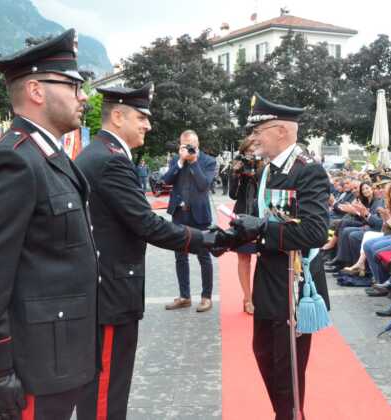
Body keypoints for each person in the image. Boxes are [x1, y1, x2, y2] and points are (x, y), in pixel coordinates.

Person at [0, 29, 100, 420]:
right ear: (37, 91)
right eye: (73, 86)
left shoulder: (49, 156)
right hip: (34, 366)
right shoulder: (16, 161)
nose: (83, 97)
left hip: (61, 356)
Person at [74, 84, 228, 420]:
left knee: (104, 388)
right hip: (111, 291)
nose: (148, 125)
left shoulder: (98, 153)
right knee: (105, 393)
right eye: (141, 117)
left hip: (101, 286)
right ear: (118, 116)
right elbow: (146, 223)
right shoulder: (111, 161)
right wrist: (209, 239)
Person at [227, 93, 330, 419]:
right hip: (269, 276)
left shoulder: (307, 170)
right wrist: (233, 235)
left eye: (259, 131)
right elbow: (271, 220)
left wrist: (261, 228)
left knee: (288, 371)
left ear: (281, 131)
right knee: (264, 354)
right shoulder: (269, 170)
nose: (253, 138)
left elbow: (315, 232)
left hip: (293, 281)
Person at [163, 129, 217, 312]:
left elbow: (204, 185)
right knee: (180, 256)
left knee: (204, 256)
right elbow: (166, 180)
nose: (187, 149)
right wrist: (180, 162)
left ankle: (206, 297)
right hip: (179, 214)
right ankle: (184, 296)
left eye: (191, 145)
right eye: (184, 145)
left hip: (200, 216)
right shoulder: (176, 160)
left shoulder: (208, 161)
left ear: (197, 144)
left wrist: (193, 162)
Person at [229, 136, 263, 315]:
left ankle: (261, 296)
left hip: (261, 216)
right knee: (244, 258)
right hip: (242, 215)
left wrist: (257, 171)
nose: (252, 154)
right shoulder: (238, 165)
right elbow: (232, 194)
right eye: (249, 151)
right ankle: (247, 298)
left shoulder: (266, 165)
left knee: (264, 257)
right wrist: (236, 174)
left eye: (255, 150)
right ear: (243, 152)